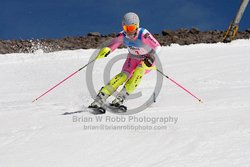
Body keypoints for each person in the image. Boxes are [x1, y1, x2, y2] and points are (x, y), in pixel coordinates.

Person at [89, 12, 161, 112]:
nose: (129, 32)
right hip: (132, 58)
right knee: (123, 75)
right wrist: (107, 50)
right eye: (126, 29)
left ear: (137, 26)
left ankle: (120, 98)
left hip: (147, 59)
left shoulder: (143, 34)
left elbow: (157, 46)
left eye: (131, 28)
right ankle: (101, 97)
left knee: (139, 71)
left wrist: (151, 56)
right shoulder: (122, 35)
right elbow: (114, 44)